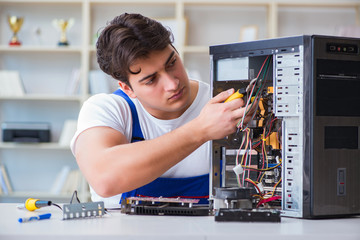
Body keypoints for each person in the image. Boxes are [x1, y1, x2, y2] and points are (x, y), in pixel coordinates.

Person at [70, 13, 250, 207]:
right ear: (128, 89)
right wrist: (200, 130)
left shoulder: (222, 106)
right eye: (151, 79)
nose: (173, 83)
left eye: (172, 63)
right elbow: (105, 179)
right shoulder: (107, 109)